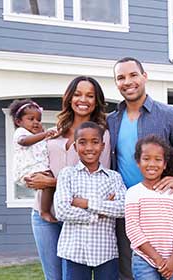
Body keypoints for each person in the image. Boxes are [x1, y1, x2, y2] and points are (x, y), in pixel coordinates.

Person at [107, 57, 173, 279]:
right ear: (116, 83)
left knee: (169, 269)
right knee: (130, 272)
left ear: (144, 76)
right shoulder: (111, 120)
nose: (127, 82)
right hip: (125, 208)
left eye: (133, 75)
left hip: (161, 208)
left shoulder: (168, 115)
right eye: (121, 77)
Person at [24, 76, 110, 280]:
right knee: (53, 277)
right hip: (42, 214)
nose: (83, 99)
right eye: (78, 94)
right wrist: (32, 175)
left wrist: (51, 183)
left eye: (90, 95)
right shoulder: (56, 130)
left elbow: (97, 179)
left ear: (96, 101)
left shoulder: (101, 134)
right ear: (70, 97)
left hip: (75, 217)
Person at [54, 121, 125, 280]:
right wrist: (100, 212)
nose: (89, 148)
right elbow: (62, 211)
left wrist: (86, 203)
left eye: (95, 142)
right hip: (74, 252)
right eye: (82, 142)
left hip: (105, 251)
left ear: (103, 145)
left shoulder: (113, 177)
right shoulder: (67, 174)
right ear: (75, 146)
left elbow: (122, 208)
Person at [125, 135, 173, 280]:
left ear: (165, 164)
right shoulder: (133, 193)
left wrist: (172, 260)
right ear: (138, 162)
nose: (152, 164)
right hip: (144, 260)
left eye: (158, 159)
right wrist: (158, 260)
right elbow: (133, 230)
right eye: (146, 159)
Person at [9, 99, 57, 223]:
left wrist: (44, 134)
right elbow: (24, 141)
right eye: (31, 119)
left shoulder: (38, 135)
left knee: (49, 181)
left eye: (38, 120)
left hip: (37, 169)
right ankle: (44, 211)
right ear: (19, 121)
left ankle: (46, 209)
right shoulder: (21, 132)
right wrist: (44, 134)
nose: (36, 122)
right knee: (49, 180)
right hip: (27, 170)